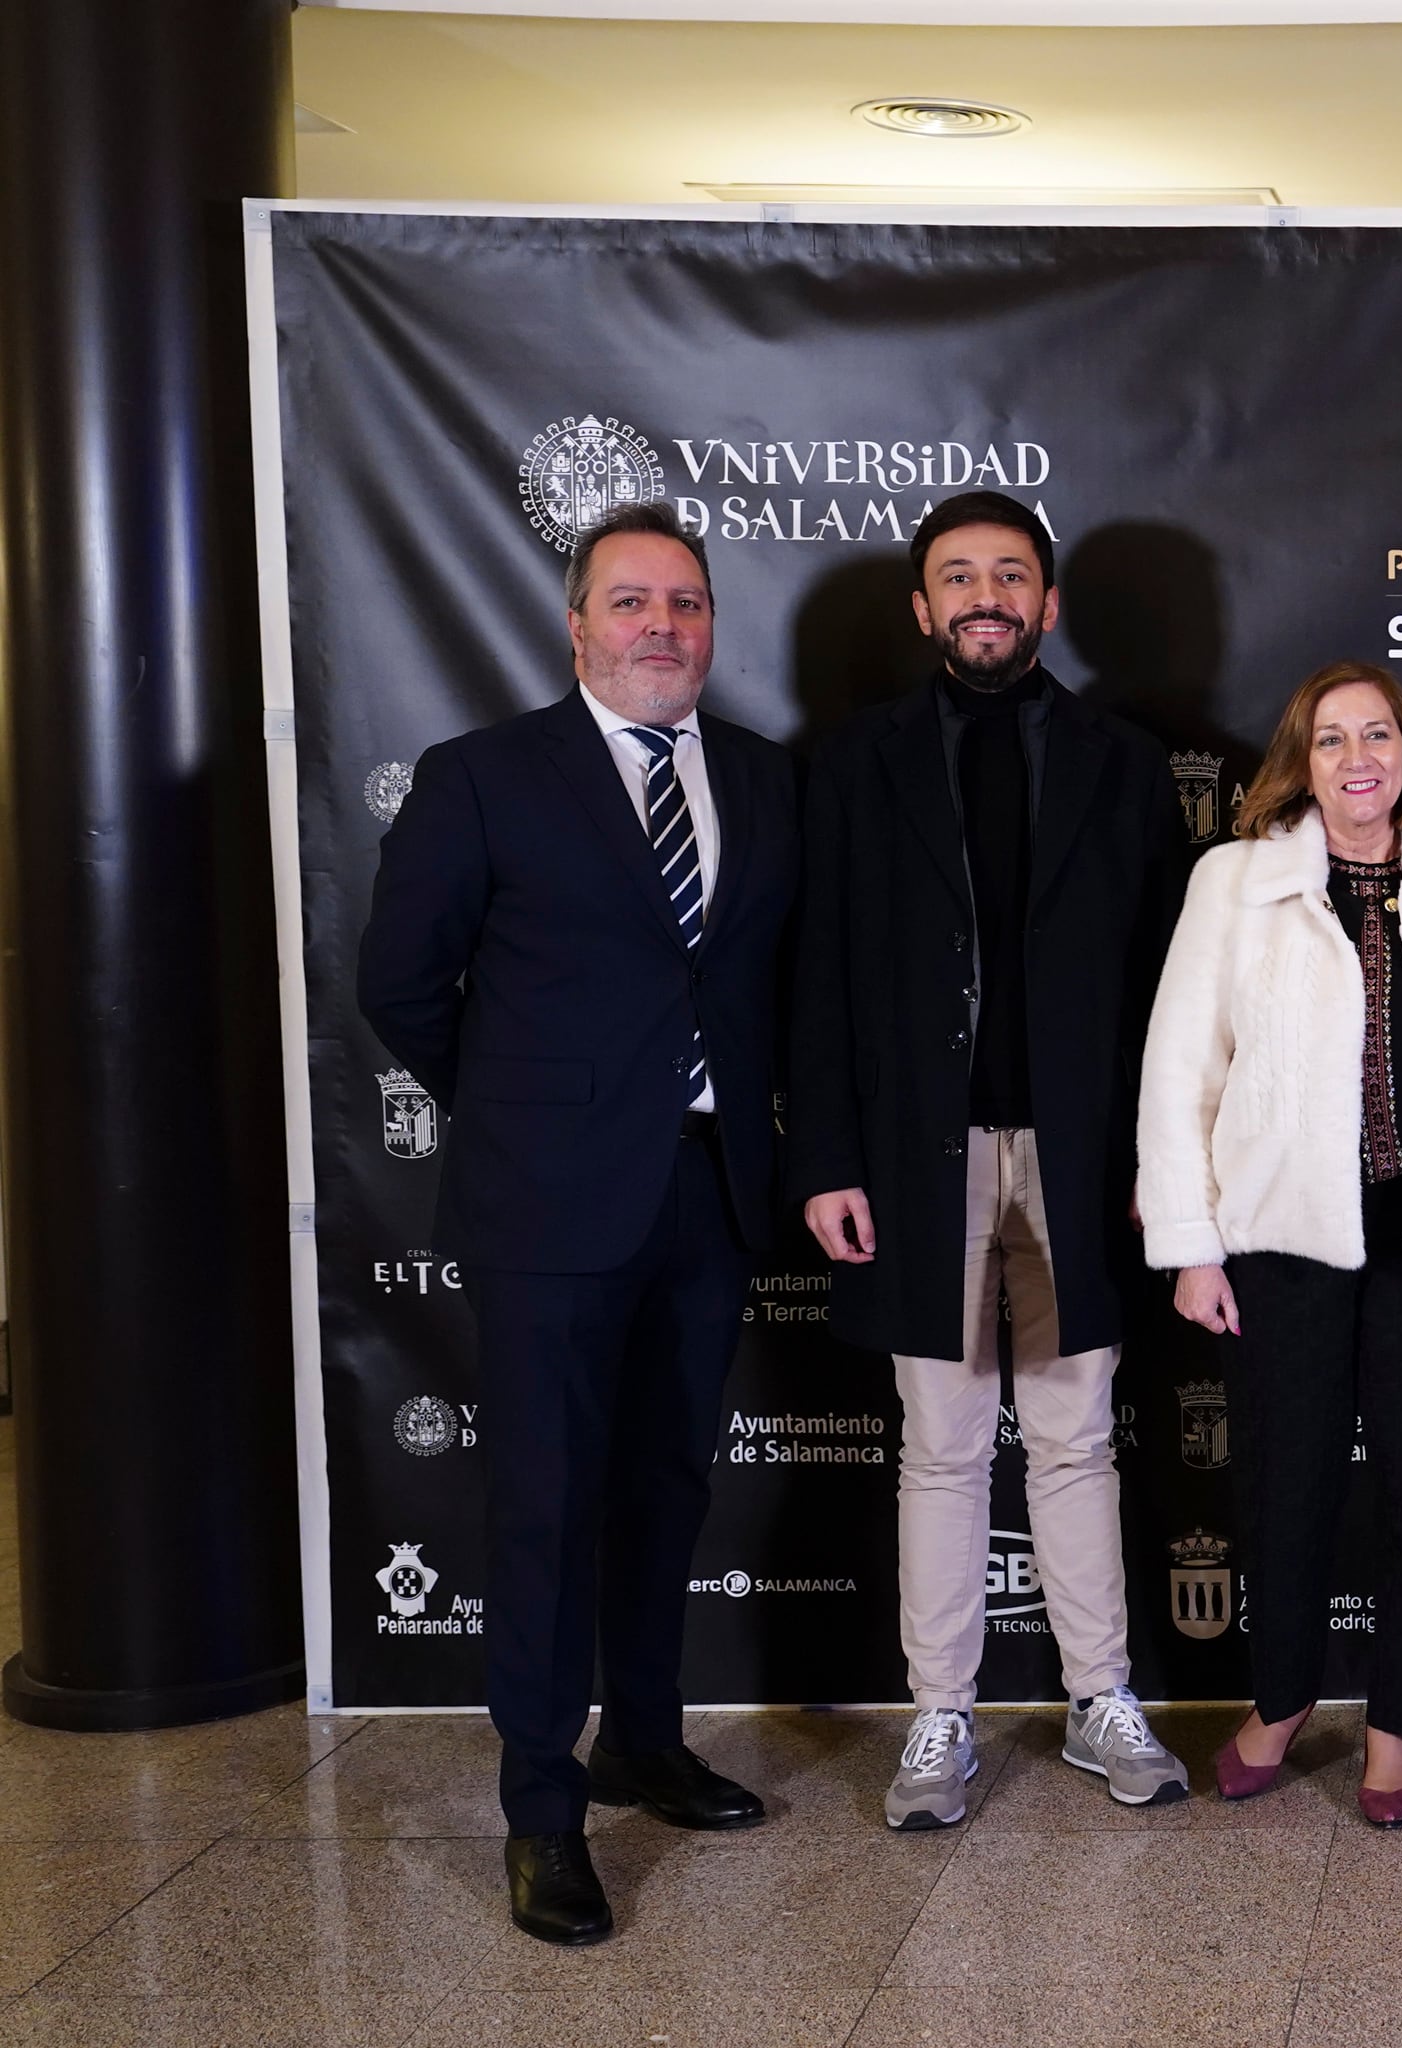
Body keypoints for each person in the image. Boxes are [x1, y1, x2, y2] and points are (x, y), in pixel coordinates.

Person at [359, 500, 799, 1945]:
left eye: (684, 603)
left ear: (711, 626)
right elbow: (401, 983)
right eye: (630, 603)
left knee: (667, 1486)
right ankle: (542, 1810)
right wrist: (524, 1111)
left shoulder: (760, 778)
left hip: (711, 1188)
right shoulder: (485, 777)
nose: (661, 626)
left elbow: (768, 988)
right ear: (576, 623)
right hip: (547, 1200)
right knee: (547, 1504)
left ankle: (645, 1740)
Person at [787, 491, 1193, 1827]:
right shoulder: (851, 765)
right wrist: (829, 1158)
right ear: (922, 609)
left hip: (1080, 1156)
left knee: (1077, 1438)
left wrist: (1161, 1157)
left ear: (1047, 604)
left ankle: (1102, 1701)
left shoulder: (1127, 764)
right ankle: (941, 1716)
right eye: (957, 578)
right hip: (920, 1155)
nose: (984, 597)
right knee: (945, 1444)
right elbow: (820, 977)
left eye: (1008, 577)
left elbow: (1166, 989)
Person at [1137, 660, 1402, 1828]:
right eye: (1330, 740)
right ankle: (1279, 1699)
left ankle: (1398, 1721)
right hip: (1280, 1241)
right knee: (1283, 1485)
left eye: (1378, 734)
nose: (1357, 757)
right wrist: (1190, 1245)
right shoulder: (1235, 880)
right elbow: (1180, 1070)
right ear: (1299, 761)